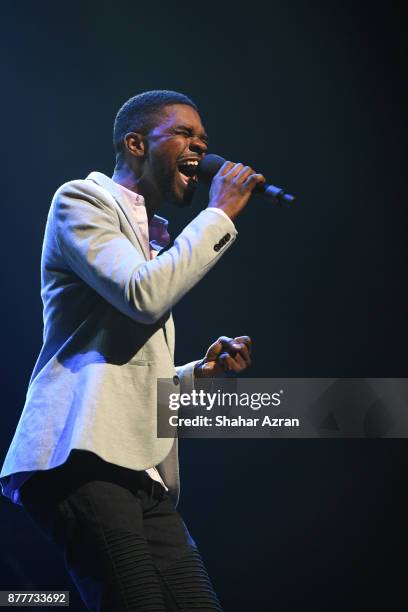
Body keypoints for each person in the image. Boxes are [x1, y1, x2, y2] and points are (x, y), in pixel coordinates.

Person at [0, 90, 265, 611]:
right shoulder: (81, 200)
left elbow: (131, 365)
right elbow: (144, 296)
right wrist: (219, 217)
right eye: (186, 135)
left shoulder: (154, 243)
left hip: (143, 469)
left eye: (206, 140)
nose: (202, 149)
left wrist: (197, 376)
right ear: (136, 142)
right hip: (80, 454)